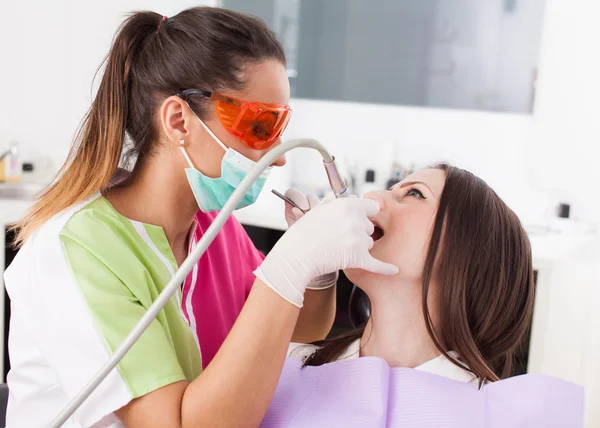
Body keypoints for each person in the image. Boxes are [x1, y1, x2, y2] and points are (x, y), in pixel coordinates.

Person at [3, 7, 398, 427]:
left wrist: (314, 273)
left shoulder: (215, 228)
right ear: (178, 121)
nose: (278, 158)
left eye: (281, 129)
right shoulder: (75, 251)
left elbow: (300, 332)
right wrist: (288, 265)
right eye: (261, 127)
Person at [288, 164, 535, 386]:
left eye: (414, 193)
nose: (371, 196)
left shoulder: (485, 414)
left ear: (465, 251)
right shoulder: (296, 366)